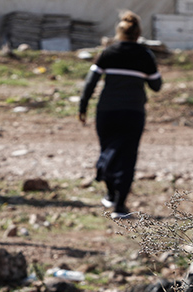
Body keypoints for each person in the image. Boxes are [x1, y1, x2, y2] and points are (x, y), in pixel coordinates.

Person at [78, 10, 162, 219]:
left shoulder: (108, 52)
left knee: (108, 150)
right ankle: (119, 206)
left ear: (119, 32)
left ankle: (107, 185)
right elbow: (156, 85)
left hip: (106, 111)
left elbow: (90, 82)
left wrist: (83, 106)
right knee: (127, 157)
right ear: (138, 33)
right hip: (133, 113)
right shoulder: (145, 55)